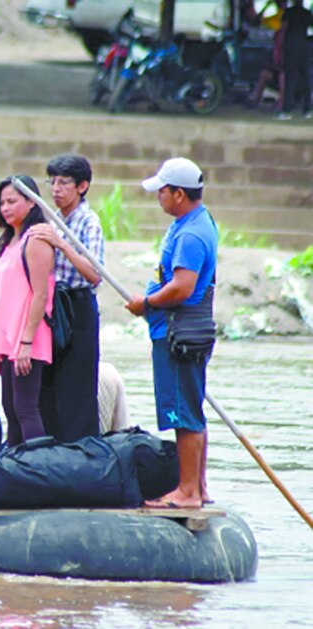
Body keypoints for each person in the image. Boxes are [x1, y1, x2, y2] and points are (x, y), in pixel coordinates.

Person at [126, 157, 217, 509]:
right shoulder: (196, 221)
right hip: (183, 331)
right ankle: (198, 487)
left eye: (162, 191)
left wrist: (146, 303)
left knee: (183, 413)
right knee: (191, 408)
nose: (158, 196)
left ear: (179, 194)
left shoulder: (191, 234)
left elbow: (182, 287)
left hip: (178, 334)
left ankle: (187, 491)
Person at [28, 155, 105, 443]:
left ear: (82, 186)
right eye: (52, 182)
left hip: (79, 306)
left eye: (63, 183)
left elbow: (95, 274)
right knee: (50, 384)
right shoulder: (56, 218)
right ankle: (54, 450)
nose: (56, 189)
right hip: (55, 305)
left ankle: (81, 451)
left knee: (78, 387)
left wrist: (61, 243)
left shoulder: (88, 222)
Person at [0, 175, 56, 447]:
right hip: (7, 339)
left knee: (25, 407)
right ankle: (14, 463)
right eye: (2, 203)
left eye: (12, 201)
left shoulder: (35, 240)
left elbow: (40, 294)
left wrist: (26, 342)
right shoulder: (8, 242)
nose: (5, 208)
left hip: (28, 336)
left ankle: (38, 464)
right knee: (10, 408)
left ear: (31, 202)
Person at [277, 0, 312, 120]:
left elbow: (283, 28)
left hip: (291, 46)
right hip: (304, 46)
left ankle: (287, 109)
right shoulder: (307, 13)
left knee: (289, 78)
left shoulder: (289, 12)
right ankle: (307, 108)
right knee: (305, 78)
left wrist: (280, 45)